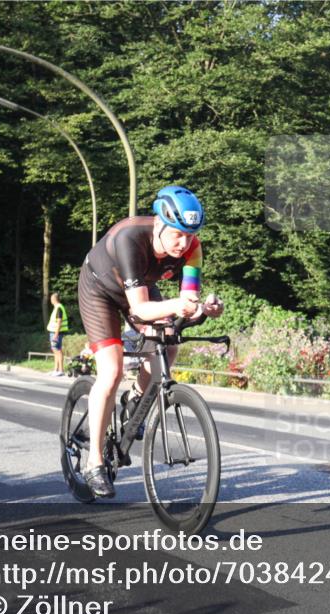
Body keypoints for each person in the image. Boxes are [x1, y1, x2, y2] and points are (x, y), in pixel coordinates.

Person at [76, 185, 224, 497]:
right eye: (177, 235)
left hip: (140, 287)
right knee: (112, 371)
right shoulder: (130, 239)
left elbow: (187, 302)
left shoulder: (192, 248)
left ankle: (135, 400)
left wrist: (204, 310)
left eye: (190, 235)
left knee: (168, 346)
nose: (183, 244)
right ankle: (94, 462)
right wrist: (177, 306)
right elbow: (141, 309)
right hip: (100, 290)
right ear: (158, 224)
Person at [47, 292, 69, 376]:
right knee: (55, 350)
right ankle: (55, 370)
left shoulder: (59, 308)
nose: (50, 300)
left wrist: (56, 334)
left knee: (57, 350)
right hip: (54, 332)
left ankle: (61, 370)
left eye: (51, 299)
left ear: (54, 299)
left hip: (56, 333)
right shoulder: (57, 307)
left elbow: (59, 322)